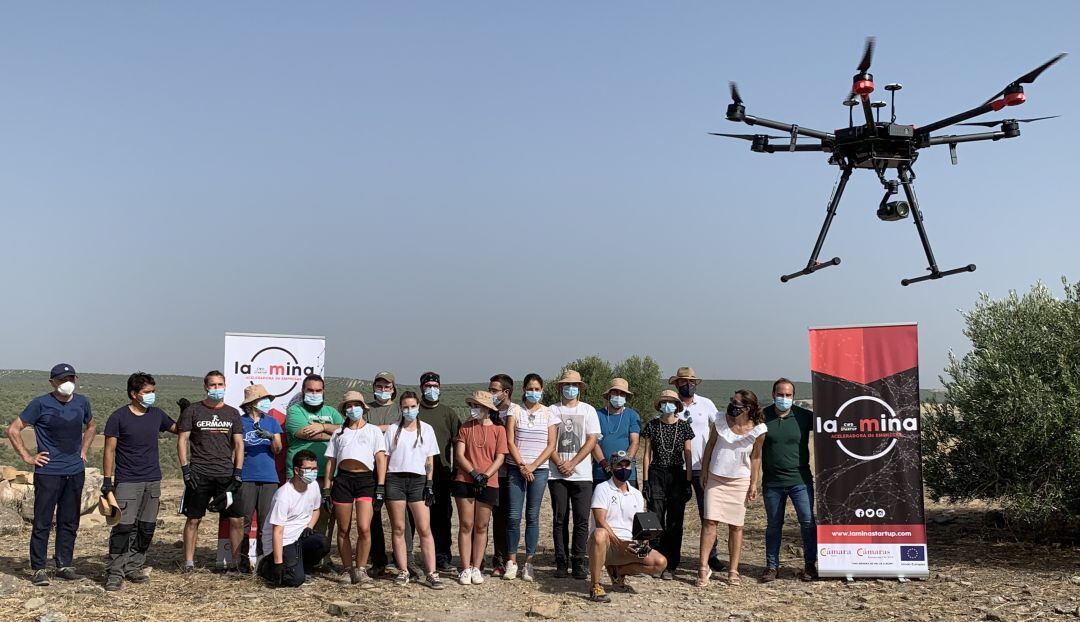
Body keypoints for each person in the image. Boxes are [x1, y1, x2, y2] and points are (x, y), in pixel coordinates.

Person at [6, 364, 95, 586]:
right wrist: (27, 457)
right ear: (52, 382)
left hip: (74, 471)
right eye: (63, 378)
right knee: (43, 521)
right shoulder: (40, 404)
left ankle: (64, 564)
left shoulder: (82, 402)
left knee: (69, 520)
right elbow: (13, 429)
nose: (68, 382)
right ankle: (38, 569)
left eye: (71, 378)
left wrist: (84, 449)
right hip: (49, 472)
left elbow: (92, 425)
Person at [101, 372, 179, 591]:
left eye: (153, 392)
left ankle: (134, 566)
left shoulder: (157, 414)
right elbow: (109, 450)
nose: (151, 395)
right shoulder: (118, 417)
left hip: (152, 479)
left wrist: (185, 412)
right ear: (134, 394)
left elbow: (179, 429)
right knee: (123, 527)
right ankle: (115, 571)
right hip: (127, 481)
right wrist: (108, 481)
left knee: (146, 527)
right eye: (147, 392)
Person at [177, 370, 245, 573]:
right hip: (199, 473)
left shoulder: (232, 413)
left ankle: (235, 563)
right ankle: (189, 562)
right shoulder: (193, 410)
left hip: (225, 473)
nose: (217, 389)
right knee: (194, 519)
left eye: (220, 385)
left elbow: (239, 444)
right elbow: (182, 440)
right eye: (213, 385)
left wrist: (238, 472)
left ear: (225, 386)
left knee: (236, 519)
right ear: (206, 387)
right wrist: (185, 470)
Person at [698, 389, 767, 586]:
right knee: (709, 521)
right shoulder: (719, 421)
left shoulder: (759, 430)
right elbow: (710, 446)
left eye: (735, 402)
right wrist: (704, 472)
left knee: (736, 526)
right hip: (715, 478)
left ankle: (733, 570)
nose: (731, 405)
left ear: (747, 408)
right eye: (731, 400)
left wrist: (754, 482)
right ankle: (703, 568)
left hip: (740, 481)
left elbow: (756, 457)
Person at [587, 450, 668, 603]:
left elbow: (639, 524)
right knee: (599, 533)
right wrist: (619, 543)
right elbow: (600, 520)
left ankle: (618, 572)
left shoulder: (637, 494)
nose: (624, 468)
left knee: (660, 563)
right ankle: (595, 585)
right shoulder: (602, 488)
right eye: (619, 465)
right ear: (611, 468)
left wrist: (643, 541)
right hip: (607, 543)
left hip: (629, 544)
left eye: (627, 464)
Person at [323, 390, 385, 587]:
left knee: (364, 528)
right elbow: (331, 462)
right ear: (344, 410)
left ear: (363, 407)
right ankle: (347, 569)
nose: (352, 409)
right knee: (343, 528)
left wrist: (381, 485)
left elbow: (380, 459)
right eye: (348, 406)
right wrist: (326, 488)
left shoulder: (373, 431)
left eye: (356, 405)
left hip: (366, 480)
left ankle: (361, 569)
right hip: (343, 480)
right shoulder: (339, 433)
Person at [384, 391, 444, 589]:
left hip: (418, 481)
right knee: (399, 528)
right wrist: (381, 484)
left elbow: (429, 459)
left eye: (412, 406)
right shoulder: (392, 429)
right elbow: (385, 457)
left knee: (424, 528)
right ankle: (403, 570)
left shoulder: (426, 429)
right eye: (405, 407)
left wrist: (429, 483)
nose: (409, 410)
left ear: (418, 406)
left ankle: (431, 573)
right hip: (395, 479)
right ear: (400, 408)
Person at [760, 378, 817, 582]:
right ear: (773, 394)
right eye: (780, 394)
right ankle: (771, 566)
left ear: (793, 396)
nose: (784, 398)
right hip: (772, 483)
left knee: (808, 522)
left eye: (788, 395)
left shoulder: (804, 416)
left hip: (800, 480)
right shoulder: (762, 416)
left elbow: (830, 426)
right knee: (774, 525)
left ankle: (810, 564)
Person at [503, 373, 558, 582]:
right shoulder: (514, 410)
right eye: (530, 388)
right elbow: (510, 440)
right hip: (517, 469)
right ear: (524, 389)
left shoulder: (549, 413)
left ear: (542, 390)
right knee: (514, 516)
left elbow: (551, 444)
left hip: (540, 470)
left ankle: (529, 563)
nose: (533, 392)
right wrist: (522, 466)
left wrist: (534, 466)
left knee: (533, 516)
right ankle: (511, 561)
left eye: (537, 389)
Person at [548, 369, 601, 580]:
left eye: (575, 385)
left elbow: (591, 440)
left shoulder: (588, 410)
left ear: (580, 388)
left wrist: (573, 463)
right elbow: (548, 441)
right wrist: (560, 463)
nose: (571, 389)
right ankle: (561, 562)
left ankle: (579, 562)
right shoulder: (552, 410)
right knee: (560, 519)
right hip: (557, 474)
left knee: (581, 519)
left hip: (582, 474)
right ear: (560, 387)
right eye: (567, 385)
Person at [669, 366, 724, 571]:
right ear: (676, 384)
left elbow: (719, 428)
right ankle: (672, 557)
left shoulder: (706, 404)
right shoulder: (670, 404)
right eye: (683, 381)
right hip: (676, 467)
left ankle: (712, 555)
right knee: (675, 514)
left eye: (691, 381)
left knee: (707, 513)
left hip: (702, 467)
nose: (688, 384)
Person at [452, 390, 508, 586]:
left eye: (477, 406)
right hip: (465, 480)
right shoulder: (466, 428)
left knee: (482, 526)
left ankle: (477, 567)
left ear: (487, 409)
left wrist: (485, 475)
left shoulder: (499, 430)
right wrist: (474, 472)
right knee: (466, 525)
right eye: (472, 405)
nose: (474, 409)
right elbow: (459, 454)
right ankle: (465, 567)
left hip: (489, 482)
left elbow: (500, 456)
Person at [640, 389, 695, 581]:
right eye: (663, 402)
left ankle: (672, 564)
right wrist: (645, 481)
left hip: (676, 474)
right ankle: (656, 561)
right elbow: (647, 454)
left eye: (670, 402)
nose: (667, 405)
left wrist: (688, 481)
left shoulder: (684, 426)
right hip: (656, 473)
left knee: (675, 522)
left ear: (677, 405)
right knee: (655, 520)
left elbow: (688, 454)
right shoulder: (652, 425)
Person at [284, 374, 344, 547]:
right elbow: (304, 432)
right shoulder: (295, 411)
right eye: (310, 390)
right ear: (303, 391)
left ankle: (319, 556)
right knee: (297, 516)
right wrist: (332, 434)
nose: (314, 393)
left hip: (327, 475)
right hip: (301, 474)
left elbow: (346, 430)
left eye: (318, 390)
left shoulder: (331, 411)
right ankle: (294, 553)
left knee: (324, 516)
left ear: (323, 392)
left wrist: (323, 426)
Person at [257, 450, 330, 587]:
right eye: (308, 469)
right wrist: (279, 563)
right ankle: (267, 565)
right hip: (283, 540)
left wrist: (309, 526)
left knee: (322, 543)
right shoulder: (283, 495)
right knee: (294, 581)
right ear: (297, 470)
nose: (312, 472)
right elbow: (277, 532)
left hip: (300, 536)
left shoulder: (313, 485)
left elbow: (316, 509)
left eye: (315, 468)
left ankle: (302, 567)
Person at [235, 384, 283, 573]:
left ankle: (264, 562)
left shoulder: (271, 422)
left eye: (268, 399)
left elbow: (278, 450)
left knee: (266, 522)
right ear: (252, 403)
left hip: (269, 477)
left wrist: (271, 437)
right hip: (246, 476)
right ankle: (243, 561)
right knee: (244, 521)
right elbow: (235, 449)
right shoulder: (239, 422)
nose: (266, 403)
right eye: (263, 399)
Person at [364, 371, 406, 576]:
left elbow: (403, 430)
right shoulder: (366, 410)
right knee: (374, 518)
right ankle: (378, 560)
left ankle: (403, 560)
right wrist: (385, 428)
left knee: (400, 519)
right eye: (379, 386)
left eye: (387, 387)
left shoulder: (401, 409)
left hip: (396, 469)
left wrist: (375, 429)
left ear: (393, 389)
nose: (383, 390)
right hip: (371, 469)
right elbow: (360, 430)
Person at [418, 371, 460, 573]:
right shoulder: (413, 410)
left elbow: (457, 444)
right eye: (428, 386)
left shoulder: (448, 413)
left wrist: (456, 472)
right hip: (416, 474)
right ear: (421, 388)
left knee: (442, 517)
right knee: (413, 518)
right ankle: (409, 557)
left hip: (442, 474)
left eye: (435, 386)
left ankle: (442, 556)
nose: (432, 390)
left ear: (440, 388)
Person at [487, 373, 518, 578]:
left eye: (494, 390)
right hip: (492, 471)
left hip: (511, 472)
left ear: (505, 392)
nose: (491, 394)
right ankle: (497, 559)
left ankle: (511, 558)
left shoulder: (516, 411)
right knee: (496, 518)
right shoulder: (487, 410)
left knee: (511, 517)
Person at [592, 378, 641, 487]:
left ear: (626, 397)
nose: (619, 396)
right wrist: (605, 465)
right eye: (615, 392)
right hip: (601, 471)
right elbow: (593, 442)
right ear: (609, 395)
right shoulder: (597, 415)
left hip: (626, 472)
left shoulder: (633, 415)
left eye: (622, 393)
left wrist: (624, 463)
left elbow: (635, 442)